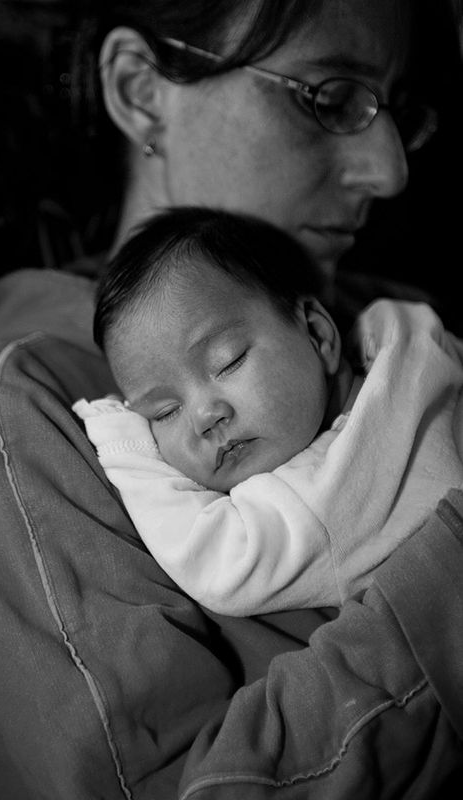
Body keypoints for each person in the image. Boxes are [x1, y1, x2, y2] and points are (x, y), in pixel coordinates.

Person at [0, 1, 463, 798]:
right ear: (141, 90)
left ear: (317, 334)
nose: (389, 171)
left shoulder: (399, 322)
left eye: (398, 112)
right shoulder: (25, 410)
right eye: (328, 97)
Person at [74, 206, 463, 615]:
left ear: (318, 334)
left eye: (229, 362)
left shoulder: (321, 497)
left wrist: (124, 444)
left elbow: (221, 564)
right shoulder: (410, 343)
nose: (206, 416)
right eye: (164, 412)